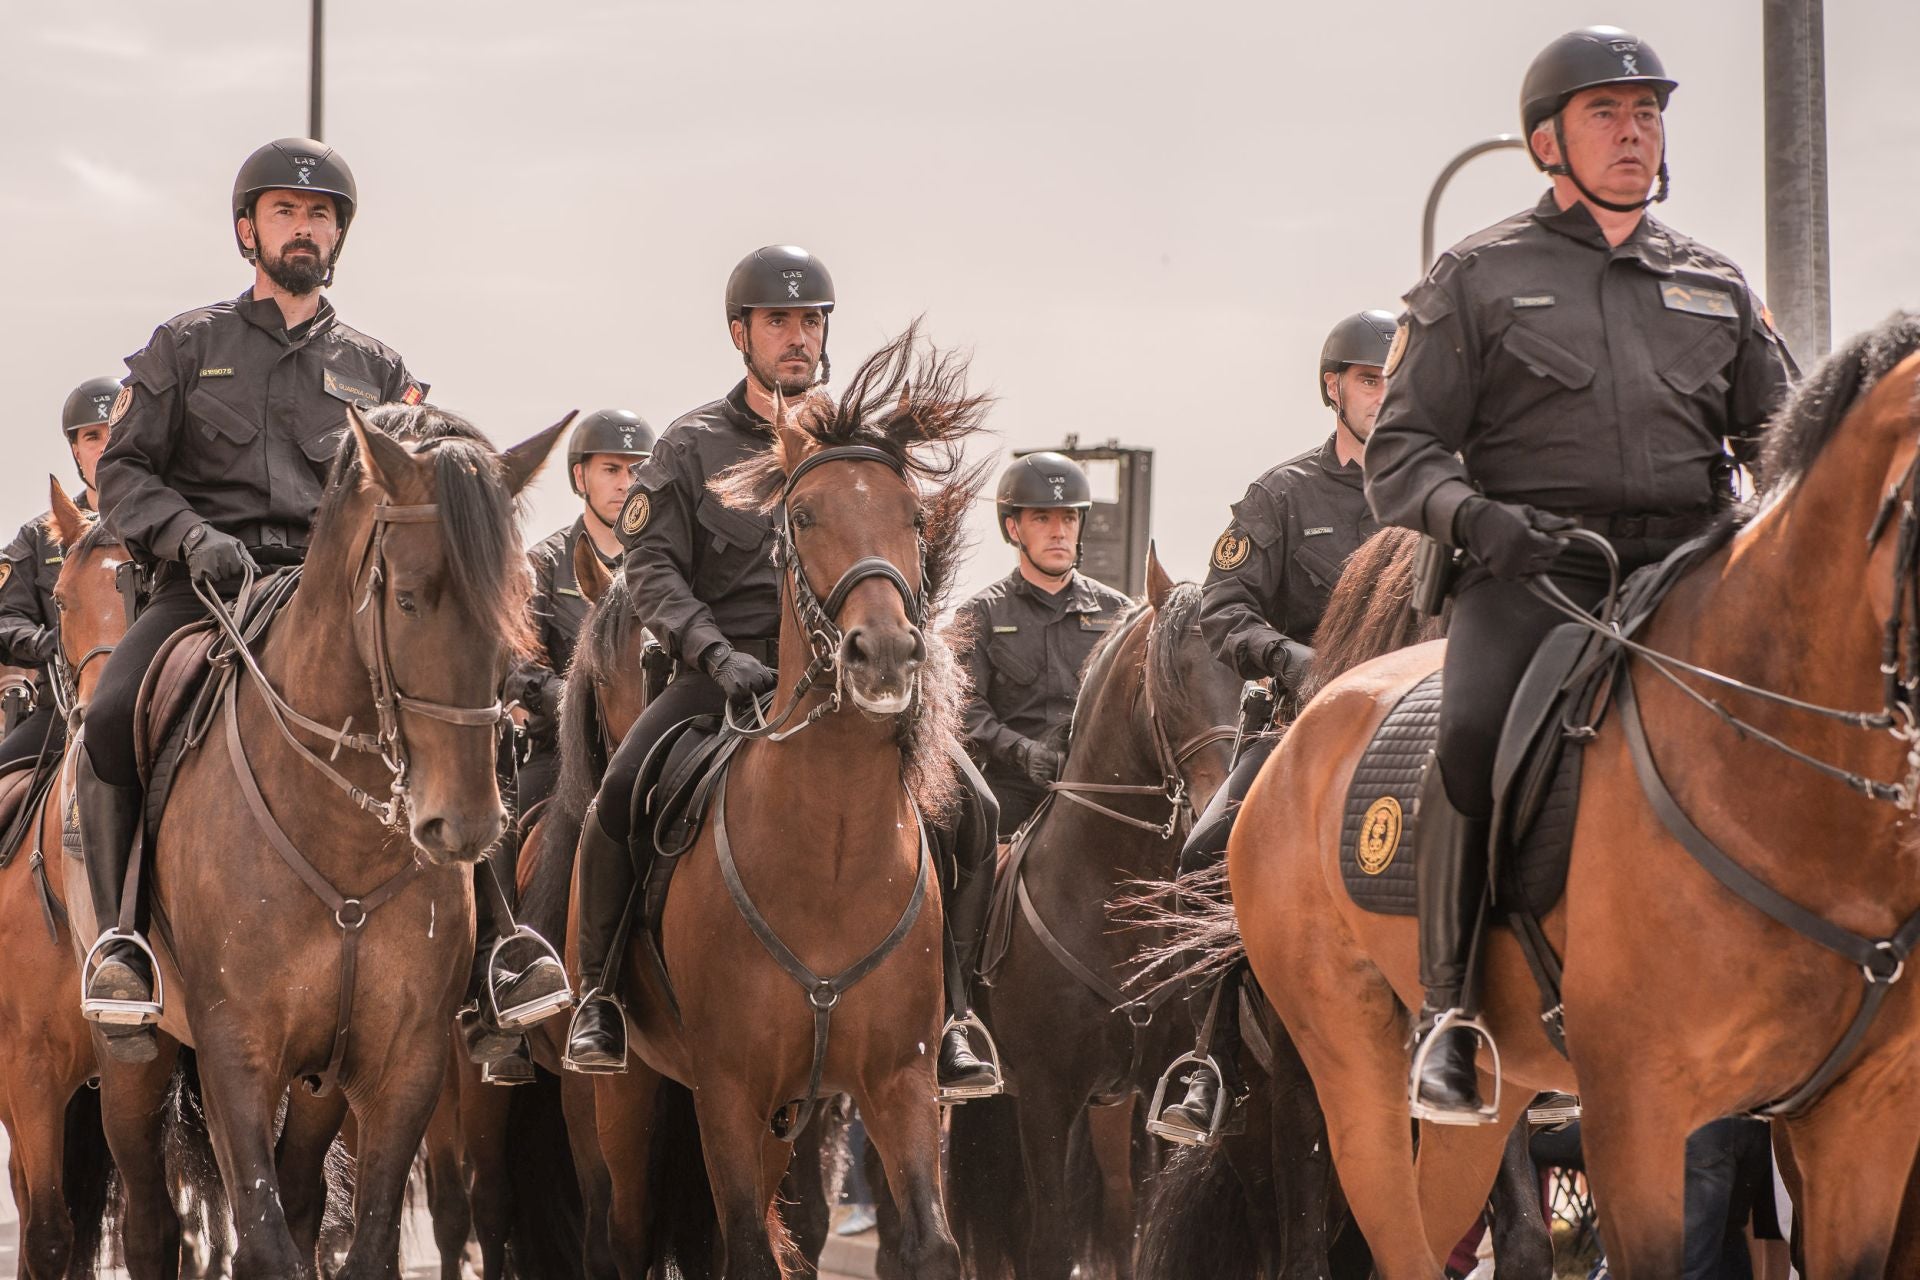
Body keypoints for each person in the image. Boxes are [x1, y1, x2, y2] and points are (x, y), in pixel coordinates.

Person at [1365, 27, 1795, 1123]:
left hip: (1691, 570)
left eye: (1648, 112)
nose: (1635, 131)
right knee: (1468, 734)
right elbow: (1401, 455)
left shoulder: (1715, 284)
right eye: (1607, 112)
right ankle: (1450, 1013)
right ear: (1546, 140)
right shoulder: (1477, 275)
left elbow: (1786, 442)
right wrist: (1476, 520)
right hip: (1537, 573)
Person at [76, 138, 567, 1062]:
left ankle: (499, 943)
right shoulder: (186, 346)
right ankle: (124, 943)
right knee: (109, 717)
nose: (304, 229)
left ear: (339, 236)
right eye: (285, 214)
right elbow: (126, 474)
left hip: (341, 600)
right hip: (207, 592)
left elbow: (435, 482)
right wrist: (188, 536)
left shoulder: (382, 373)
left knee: (466, 713)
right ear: (246, 230)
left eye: (320, 216)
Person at [563, 246, 1003, 1101]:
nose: (797, 338)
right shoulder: (690, 446)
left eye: (811, 322)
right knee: (616, 796)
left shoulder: (863, 450)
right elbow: (650, 570)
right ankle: (602, 998)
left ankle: (956, 1017)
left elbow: (907, 554)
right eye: (778, 323)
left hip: (850, 681)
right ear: (741, 334)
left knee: (976, 811)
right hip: (719, 674)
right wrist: (712, 653)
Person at [1148, 310, 1393, 1144]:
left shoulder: (1432, 497)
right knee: (1201, 857)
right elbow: (1223, 609)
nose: (1383, 396)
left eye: (1396, 381)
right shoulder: (1281, 495)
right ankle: (1208, 1063)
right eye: (1369, 379)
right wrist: (1294, 663)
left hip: (1420, 729)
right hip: (1300, 732)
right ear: (1334, 388)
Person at [955, 451, 1131, 833]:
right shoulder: (980, 614)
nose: (1059, 531)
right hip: (1012, 787)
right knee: (962, 840)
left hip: (1099, 786)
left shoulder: (1119, 612)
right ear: (1014, 529)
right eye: (1042, 518)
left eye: (1069, 517)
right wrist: (1021, 750)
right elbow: (965, 709)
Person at [505, 409, 656, 818]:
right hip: (557, 752)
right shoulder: (542, 564)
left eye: (636, 471)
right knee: (506, 824)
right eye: (610, 469)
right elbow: (518, 669)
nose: (625, 483)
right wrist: (576, 705)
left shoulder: (661, 568)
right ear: (579, 478)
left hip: (645, 745)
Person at [0, 377, 120, 774]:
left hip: (156, 704)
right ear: (75, 450)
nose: (105, 445)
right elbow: (5, 617)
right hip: (59, 711)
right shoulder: (37, 537)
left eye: (115, 432)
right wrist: (42, 642)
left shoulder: (168, 527)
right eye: (91, 436)